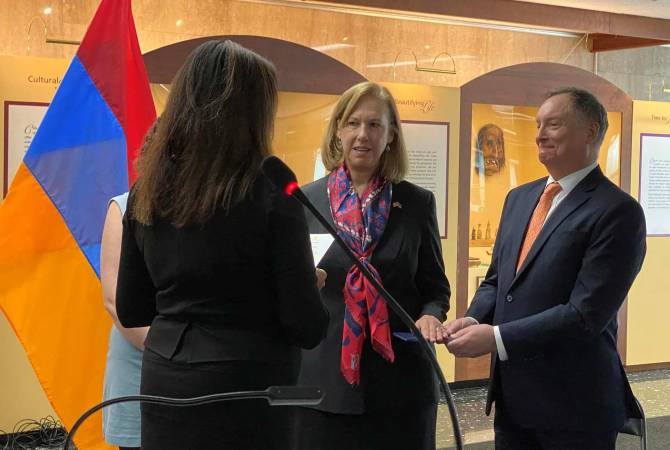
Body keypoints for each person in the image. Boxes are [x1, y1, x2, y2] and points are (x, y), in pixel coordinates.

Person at [115, 40, 329, 450]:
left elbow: (132, 308)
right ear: (255, 114)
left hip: (165, 381)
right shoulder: (272, 192)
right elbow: (306, 326)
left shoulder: (147, 191)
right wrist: (308, 284)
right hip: (248, 388)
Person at [444, 87, 646, 450]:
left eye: (553, 124)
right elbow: (498, 281)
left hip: (575, 406)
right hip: (514, 402)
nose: (539, 134)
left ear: (590, 130)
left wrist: (496, 338)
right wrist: (473, 319)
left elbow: (584, 315)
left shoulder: (617, 211)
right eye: (538, 124)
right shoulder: (520, 198)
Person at [294, 81, 451, 450]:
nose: (362, 134)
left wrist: (431, 315)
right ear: (338, 130)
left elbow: (435, 289)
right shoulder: (305, 201)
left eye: (374, 124)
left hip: (400, 384)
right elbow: (285, 286)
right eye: (352, 123)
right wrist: (302, 284)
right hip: (322, 383)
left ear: (391, 134)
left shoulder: (416, 203)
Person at [100, 119, 159, 450]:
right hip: (140, 360)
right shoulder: (123, 206)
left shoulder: (204, 211)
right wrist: (166, 353)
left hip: (190, 369)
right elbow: (113, 300)